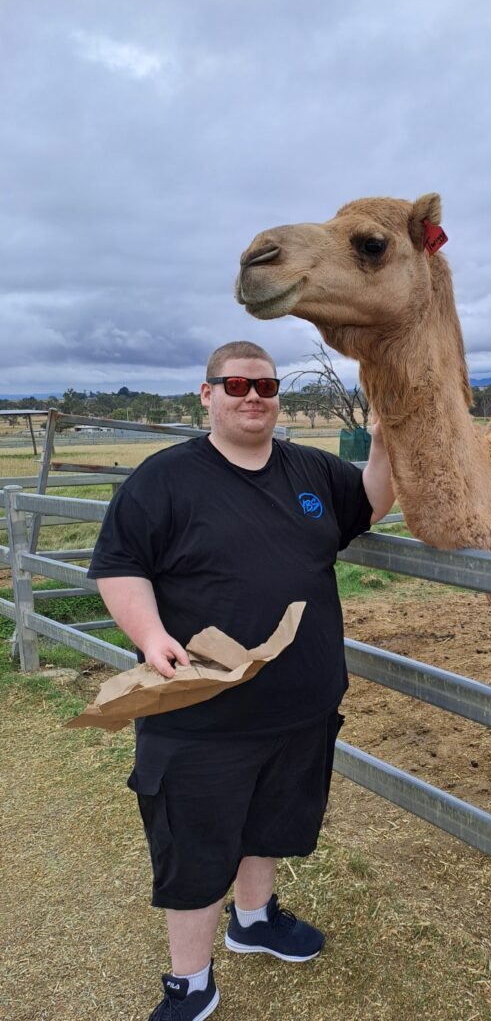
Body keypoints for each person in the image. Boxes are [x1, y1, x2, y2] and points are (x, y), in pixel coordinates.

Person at [89, 340, 394, 1021]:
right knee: (194, 847)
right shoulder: (163, 480)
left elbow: (369, 504)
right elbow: (119, 564)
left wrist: (385, 442)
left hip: (300, 705)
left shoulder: (310, 469)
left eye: (265, 386)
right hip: (200, 711)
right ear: (207, 395)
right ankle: (190, 983)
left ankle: (254, 920)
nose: (252, 397)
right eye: (236, 386)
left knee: (270, 824)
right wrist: (149, 634)